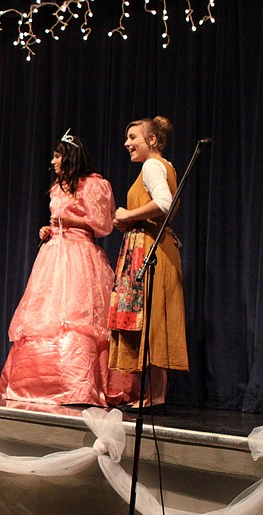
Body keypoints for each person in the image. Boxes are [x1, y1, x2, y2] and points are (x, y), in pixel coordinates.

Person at [0, 130, 116, 406]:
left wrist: (73, 223)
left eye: (57, 155)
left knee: (77, 314)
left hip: (79, 255)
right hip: (54, 255)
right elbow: (58, 220)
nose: (53, 161)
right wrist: (49, 230)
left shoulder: (94, 185)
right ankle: (42, 384)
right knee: (47, 315)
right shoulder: (57, 188)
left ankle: (76, 384)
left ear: (70, 157)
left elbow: (103, 225)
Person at [108, 116, 188, 410]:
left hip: (152, 251)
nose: (127, 143)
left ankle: (156, 397)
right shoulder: (164, 166)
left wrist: (128, 215)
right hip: (152, 245)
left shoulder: (152, 165)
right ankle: (154, 395)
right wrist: (130, 221)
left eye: (133, 137)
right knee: (153, 318)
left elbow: (164, 203)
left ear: (151, 141)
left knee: (153, 318)